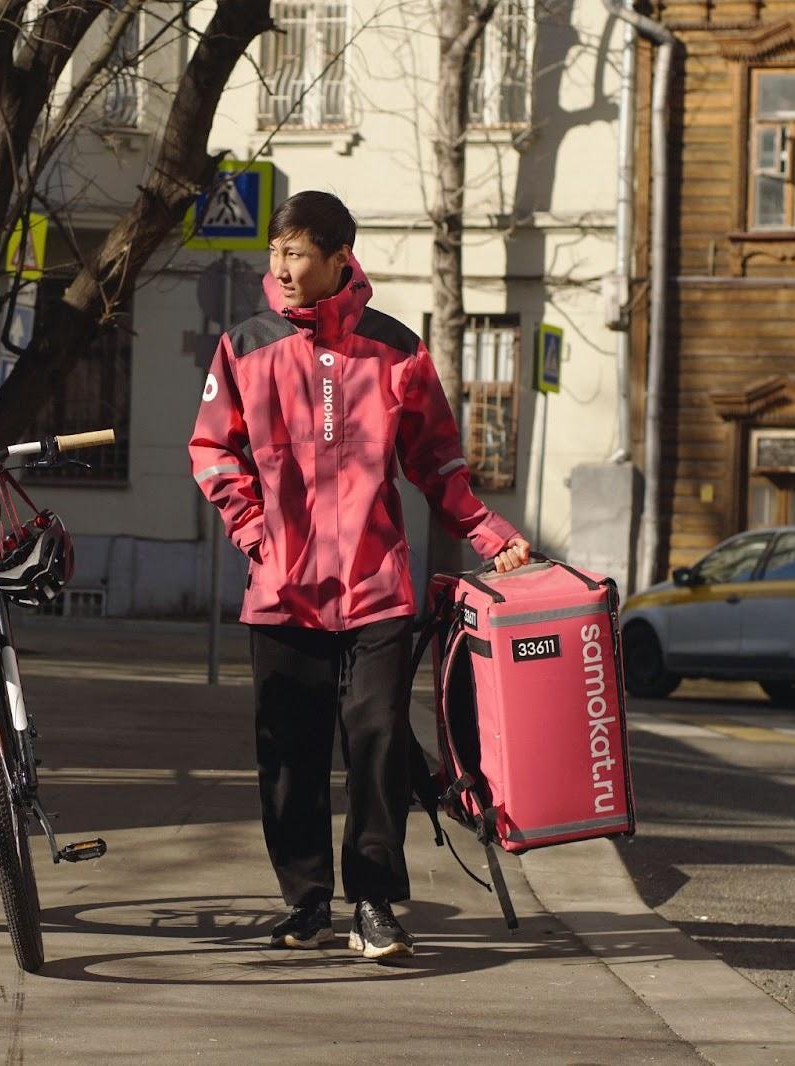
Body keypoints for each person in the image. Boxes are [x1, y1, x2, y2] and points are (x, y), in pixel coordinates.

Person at [188, 191, 530, 959]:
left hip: (376, 589)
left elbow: (437, 461)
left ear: (341, 258)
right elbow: (212, 451)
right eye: (275, 252)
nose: (280, 267)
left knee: (375, 740)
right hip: (281, 592)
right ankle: (305, 901)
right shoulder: (245, 346)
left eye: (297, 254)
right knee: (290, 754)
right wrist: (256, 536)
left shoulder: (397, 350)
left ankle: (373, 903)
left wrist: (489, 532)